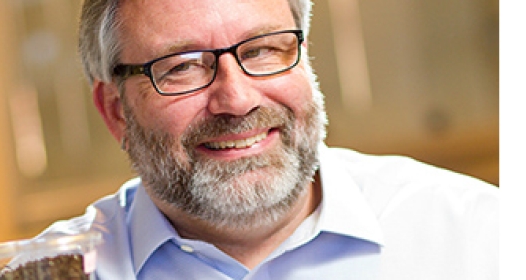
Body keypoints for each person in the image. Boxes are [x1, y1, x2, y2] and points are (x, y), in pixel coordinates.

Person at [26, 0, 498, 279]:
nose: (235, 99)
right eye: (182, 67)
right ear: (116, 112)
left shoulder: (476, 235)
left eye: (264, 50)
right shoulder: (61, 271)